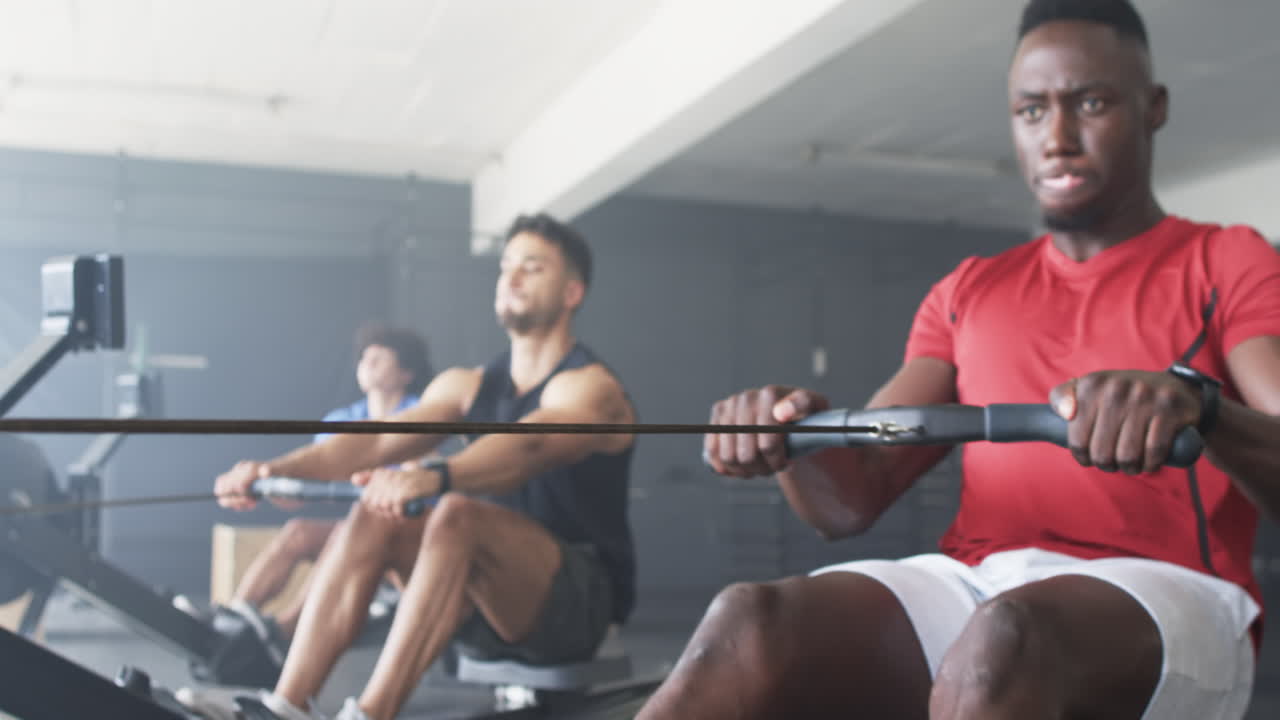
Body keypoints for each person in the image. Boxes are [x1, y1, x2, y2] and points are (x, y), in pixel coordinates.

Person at [638, 2, 1280, 719]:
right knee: (748, 625)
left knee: (1006, 642)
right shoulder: (968, 290)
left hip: (1175, 591)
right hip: (980, 581)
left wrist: (1203, 407)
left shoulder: (1227, 260)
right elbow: (850, 499)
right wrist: (792, 436)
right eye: (1032, 110)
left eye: (1091, 103)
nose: (1058, 137)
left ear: (1152, 107)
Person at [211, 213, 637, 720]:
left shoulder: (590, 387)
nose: (512, 277)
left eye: (533, 267)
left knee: (456, 514)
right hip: (480, 596)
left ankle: (371, 714)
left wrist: (434, 476)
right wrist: (275, 468)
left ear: (572, 293)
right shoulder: (472, 384)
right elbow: (376, 441)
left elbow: (531, 445)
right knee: (376, 514)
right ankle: (286, 706)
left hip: (577, 605)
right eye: (506, 267)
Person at [223, 325, 434, 650]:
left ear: (406, 372)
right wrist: (274, 484)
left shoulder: (426, 411)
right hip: (359, 527)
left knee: (342, 536)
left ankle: (286, 633)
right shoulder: (343, 419)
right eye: (365, 357)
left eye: (380, 357)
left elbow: (423, 475)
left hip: (412, 536)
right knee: (299, 531)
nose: (368, 362)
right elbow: (313, 480)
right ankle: (235, 619)